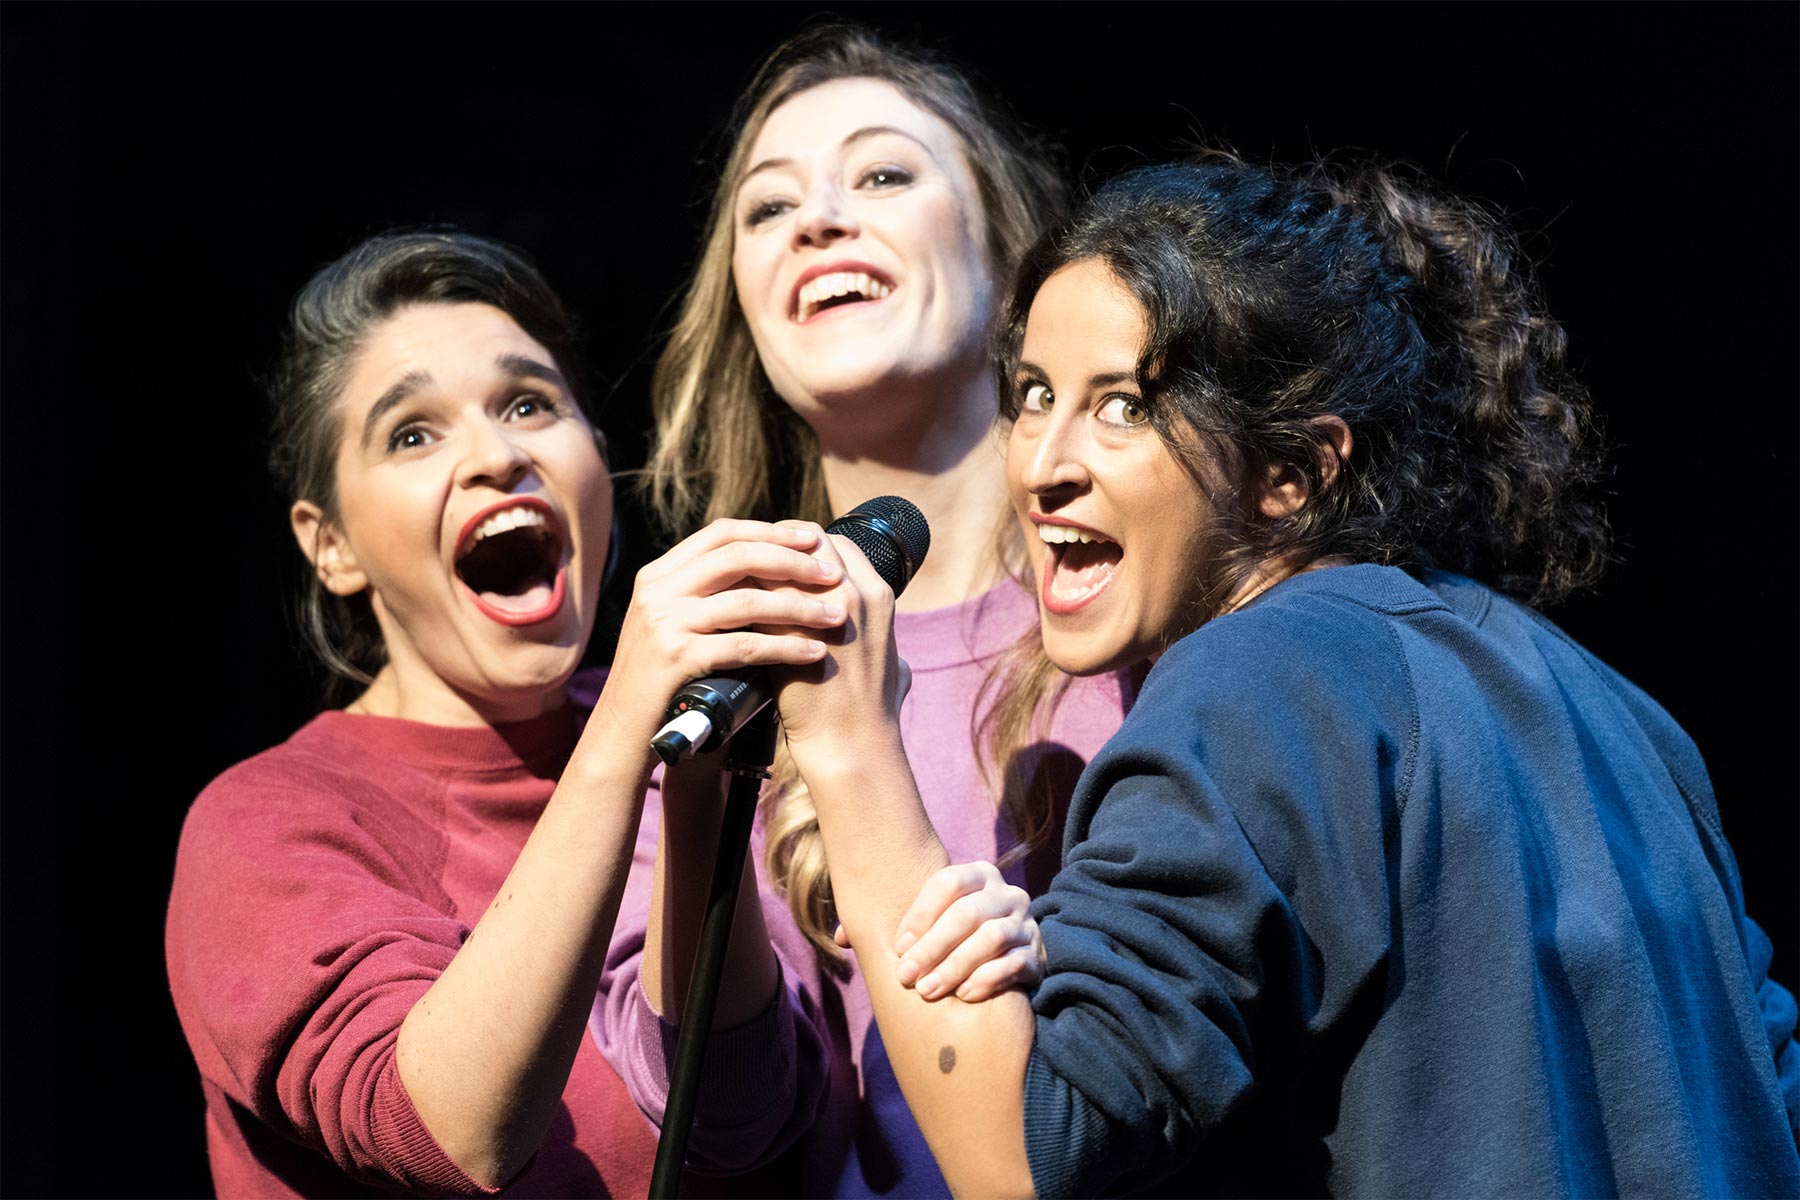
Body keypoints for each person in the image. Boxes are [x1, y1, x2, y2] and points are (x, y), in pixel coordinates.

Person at [769, 158, 1800, 1196]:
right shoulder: (1629, 718)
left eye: (1124, 405)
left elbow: (1027, 1158)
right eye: (1035, 395)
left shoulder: (1258, 682)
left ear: (1292, 472)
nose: (1041, 463)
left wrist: (850, 746)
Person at [163, 229, 984, 1195]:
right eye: (413, 433)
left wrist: (693, 793)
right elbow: (455, 1132)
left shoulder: (704, 728)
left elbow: (743, 1120)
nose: (496, 454)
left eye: (528, 404)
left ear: (598, 460)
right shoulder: (265, 822)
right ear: (331, 544)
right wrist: (628, 724)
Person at [591, 23, 1137, 1196]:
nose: (819, 222)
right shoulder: (715, 661)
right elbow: (725, 1117)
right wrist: (701, 797)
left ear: (1009, 244)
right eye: (766, 207)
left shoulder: (1145, 592)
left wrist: (1086, 972)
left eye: (883, 174)